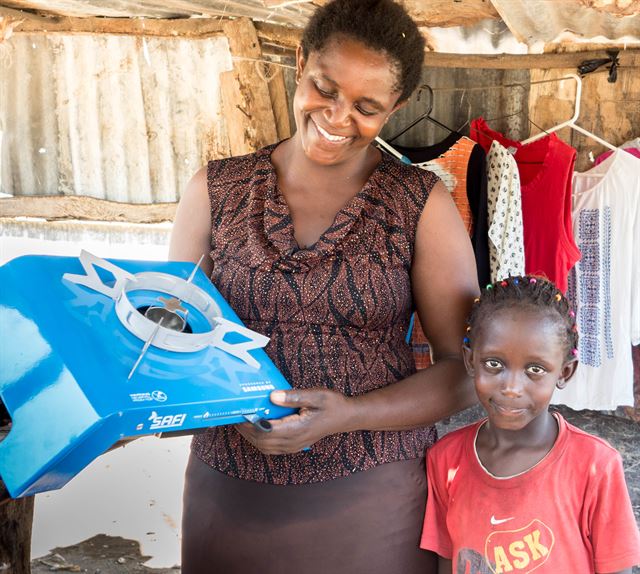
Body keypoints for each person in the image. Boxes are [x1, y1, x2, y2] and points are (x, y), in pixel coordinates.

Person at [169, 1, 479, 572]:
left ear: (397, 107)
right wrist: (222, 407)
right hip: (230, 490)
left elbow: (463, 372)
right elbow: (173, 339)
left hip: (373, 495)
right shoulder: (215, 190)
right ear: (298, 60)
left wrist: (348, 414)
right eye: (324, 88)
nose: (338, 117)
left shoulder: (420, 205)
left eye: (367, 106)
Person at [421, 276, 640, 573]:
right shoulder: (445, 459)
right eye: (494, 364)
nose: (511, 387)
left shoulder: (596, 466)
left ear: (564, 372)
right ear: (470, 362)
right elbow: (447, 558)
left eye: (535, 369)